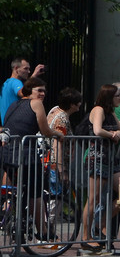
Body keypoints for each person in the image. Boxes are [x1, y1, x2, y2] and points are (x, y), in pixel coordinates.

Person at [3, 78, 65, 243]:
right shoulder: (36, 103)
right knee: (36, 193)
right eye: (39, 90)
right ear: (29, 90)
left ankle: (11, 218)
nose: (43, 94)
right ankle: (43, 231)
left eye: (44, 91)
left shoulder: (13, 105)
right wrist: (57, 134)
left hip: (8, 154)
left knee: (14, 191)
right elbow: (45, 130)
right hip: (26, 154)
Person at [81, 84, 120, 255]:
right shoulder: (98, 109)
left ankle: (100, 222)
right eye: (117, 96)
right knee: (93, 198)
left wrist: (119, 134)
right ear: (109, 96)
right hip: (97, 157)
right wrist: (112, 135)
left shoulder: (111, 111)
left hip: (110, 159)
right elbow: (98, 130)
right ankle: (85, 237)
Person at [47, 87, 82, 188]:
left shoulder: (55, 110)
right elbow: (57, 145)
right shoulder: (62, 120)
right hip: (55, 163)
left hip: (48, 160)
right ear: (72, 105)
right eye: (78, 102)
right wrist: (61, 169)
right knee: (56, 196)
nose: (80, 104)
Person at [1, 57, 45, 124]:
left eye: (29, 69)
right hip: (14, 125)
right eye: (25, 68)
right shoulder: (15, 82)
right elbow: (23, 92)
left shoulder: (6, 83)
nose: (28, 71)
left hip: (7, 125)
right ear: (16, 69)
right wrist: (34, 75)